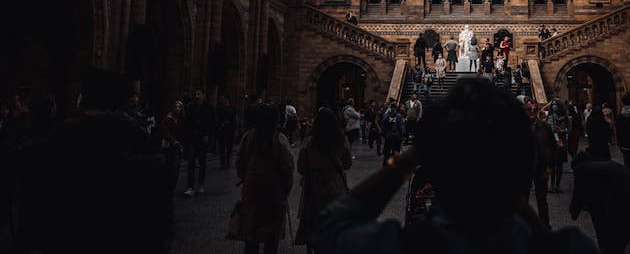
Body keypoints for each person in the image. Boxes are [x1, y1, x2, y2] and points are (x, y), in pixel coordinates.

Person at [310, 77, 598, 254]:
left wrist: (412, 157)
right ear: (521, 165)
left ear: (435, 168)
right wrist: (507, 191)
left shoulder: (397, 246)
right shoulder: (571, 247)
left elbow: (328, 227)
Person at [16, 68, 172, 254]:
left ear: (84, 98)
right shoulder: (137, 140)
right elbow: (158, 223)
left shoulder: (59, 138)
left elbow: (31, 211)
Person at [233, 103, 294, 254]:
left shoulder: (249, 136)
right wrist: (285, 190)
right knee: (271, 238)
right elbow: (288, 167)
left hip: (251, 190)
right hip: (273, 192)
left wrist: (246, 178)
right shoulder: (279, 139)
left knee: (251, 235)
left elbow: (239, 161)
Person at [295, 108, 352, 253]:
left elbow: (301, 167)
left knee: (315, 224)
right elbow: (347, 164)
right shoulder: (341, 139)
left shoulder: (309, 142)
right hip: (336, 187)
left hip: (314, 189)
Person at [570, 151, 630, 254]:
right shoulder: (604, 165)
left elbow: (578, 196)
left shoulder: (582, 169)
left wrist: (574, 212)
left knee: (612, 243)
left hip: (623, 210)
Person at [183, 88, 214, 197]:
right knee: (191, 162)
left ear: (203, 95)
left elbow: (211, 123)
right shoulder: (190, 107)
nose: (197, 96)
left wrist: (207, 135)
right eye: (195, 94)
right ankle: (190, 186)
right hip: (192, 138)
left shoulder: (208, 108)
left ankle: (200, 184)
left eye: (199, 94)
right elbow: (187, 122)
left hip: (202, 139)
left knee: (202, 163)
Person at [530, 101, 555, 228]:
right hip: (525, 169)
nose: (532, 112)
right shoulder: (519, 127)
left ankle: (545, 226)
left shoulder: (545, 127)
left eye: (534, 109)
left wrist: (550, 166)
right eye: (529, 109)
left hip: (541, 168)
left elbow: (552, 147)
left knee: (542, 200)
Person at [216, 95, 237, 166]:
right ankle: (222, 162)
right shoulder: (219, 108)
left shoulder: (232, 108)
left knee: (229, 147)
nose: (222, 100)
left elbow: (234, 120)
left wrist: (235, 130)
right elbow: (217, 119)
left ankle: (227, 160)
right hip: (222, 130)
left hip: (230, 129)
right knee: (221, 147)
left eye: (223, 99)